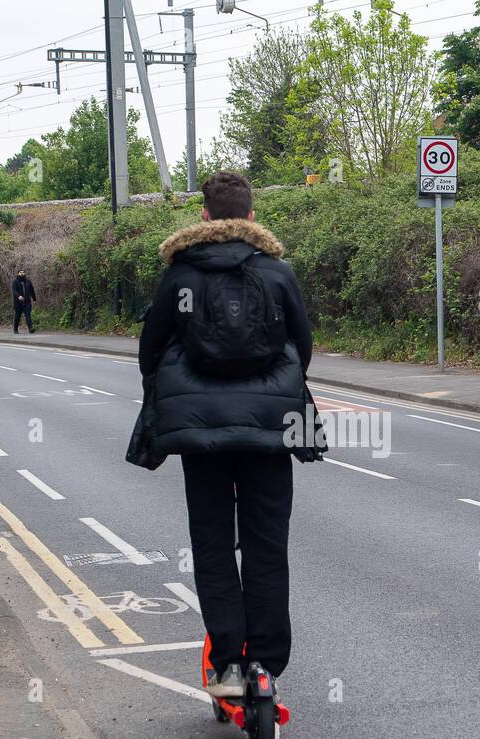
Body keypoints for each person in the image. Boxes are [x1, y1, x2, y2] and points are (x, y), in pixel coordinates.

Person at [137, 171, 315, 699]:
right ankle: (266, 664)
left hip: (202, 434)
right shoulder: (278, 273)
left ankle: (230, 664)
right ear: (252, 218)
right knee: (266, 546)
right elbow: (301, 347)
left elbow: (151, 349)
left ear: (205, 217)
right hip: (271, 430)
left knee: (212, 546)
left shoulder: (180, 277)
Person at [12, 269, 36, 334]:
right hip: (18, 302)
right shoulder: (15, 281)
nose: (22, 274)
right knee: (17, 316)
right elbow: (14, 290)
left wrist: (34, 299)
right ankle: (15, 328)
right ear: (18, 273)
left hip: (27, 302)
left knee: (28, 315)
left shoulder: (28, 282)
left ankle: (30, 328)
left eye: (23, 272)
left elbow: (32, 291)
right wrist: (18, 296)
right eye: (20, 272)